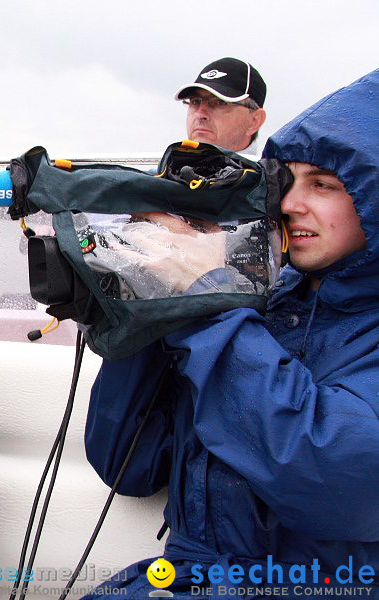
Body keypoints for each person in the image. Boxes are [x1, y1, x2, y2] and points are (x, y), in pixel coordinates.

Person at [82, 69, 378, 599]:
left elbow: (339, 481)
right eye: (287, 182)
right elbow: (127, 463)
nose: (289, 204)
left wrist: (206, 295)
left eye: (325, 185)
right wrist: (149, 298)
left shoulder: (233, 307)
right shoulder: (263, 304)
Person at [175, 57, 267, 154]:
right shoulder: (165, 166)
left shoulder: (272, 169)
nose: (200, 114)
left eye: (220, 102)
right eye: (195, 102)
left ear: (255, 121)